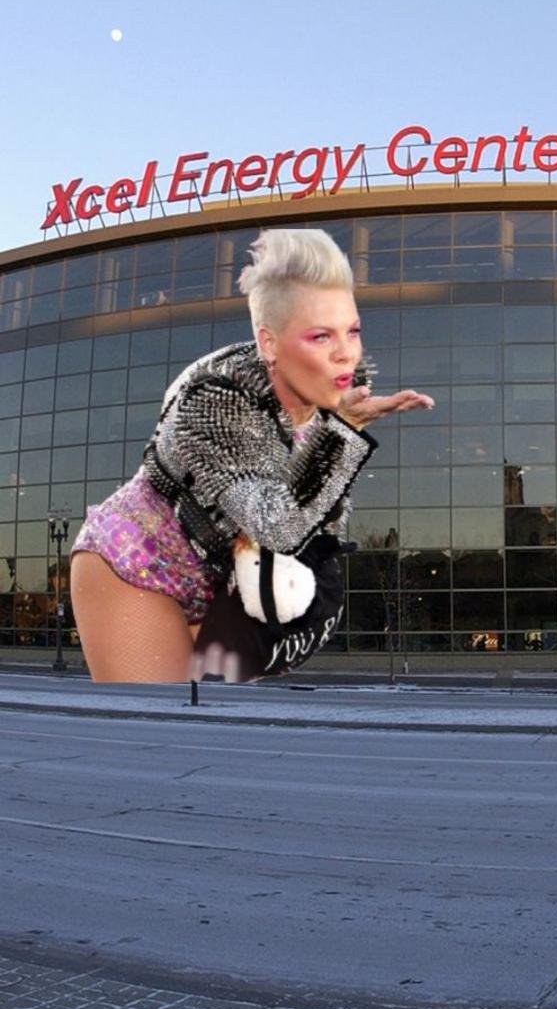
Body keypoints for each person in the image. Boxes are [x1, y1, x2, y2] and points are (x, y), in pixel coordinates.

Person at [69, 228, 434, 683]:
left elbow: (318, 520)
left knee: (219, 719)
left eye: (352, 330)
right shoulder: (214, 398)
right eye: (321, 336)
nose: (345, 353)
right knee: (166, 719)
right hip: (138, 563)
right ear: (269, 343)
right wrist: (345, 432)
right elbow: (277, 526)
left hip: (229, 579)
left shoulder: (333, 396)